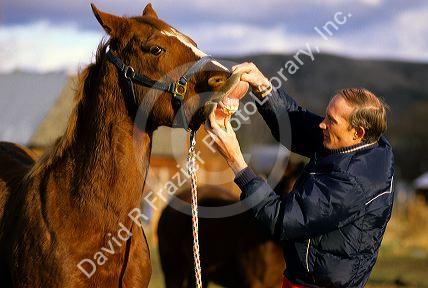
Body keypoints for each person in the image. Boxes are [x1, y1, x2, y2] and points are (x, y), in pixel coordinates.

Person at [205, 62, 394, 288]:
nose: (322, 125)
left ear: (358, 132)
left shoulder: (351, 182)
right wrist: (263, 87)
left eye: (331, 121)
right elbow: (296, 124)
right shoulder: (362, 145)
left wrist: (236, 162)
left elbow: (282, 219)